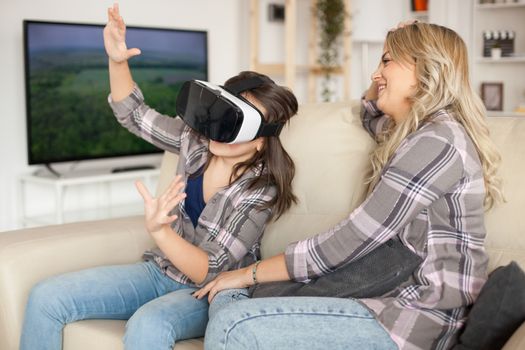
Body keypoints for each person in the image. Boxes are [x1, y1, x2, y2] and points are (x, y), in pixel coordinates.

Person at [194, 22, 504, 350]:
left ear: (425, 66)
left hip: (418, 315)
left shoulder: (437, 142)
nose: (375, 75)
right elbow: (370, 113)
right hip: (383, 295)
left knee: (233, 324)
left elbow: (352, 239)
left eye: (386, 61)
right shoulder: (415, 134)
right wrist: (399, 48)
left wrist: (249, 272)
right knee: (228, 296)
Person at [19, 4, 298, 350]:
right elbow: (134, 115)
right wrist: (117, 60)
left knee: (148, 325)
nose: (217, 131)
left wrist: (160, 231)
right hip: (160, 271)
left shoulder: (261, 189)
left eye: (234, 124)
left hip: (209, 291)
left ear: (260, 141)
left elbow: (210, 270)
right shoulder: (194, 139)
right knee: (47, 297)